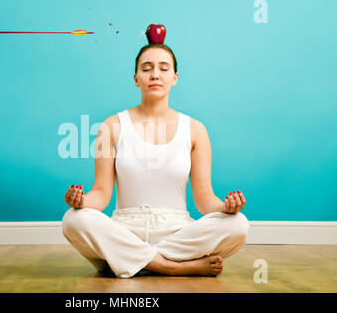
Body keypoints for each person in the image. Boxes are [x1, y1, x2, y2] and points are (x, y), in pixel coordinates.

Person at [62, 43, 249, 279]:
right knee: (73, 219)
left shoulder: (195, 130)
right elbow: (100, 194)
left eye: (163, 68)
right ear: (136, 78)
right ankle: (172, 266)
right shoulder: (111, 126)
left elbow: (204, 200)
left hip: (177, 232)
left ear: (175, 77)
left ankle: (128, 261)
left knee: (238, 224)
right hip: (125, 230)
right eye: (147, 68)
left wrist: (226, 207)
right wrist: (81, 201)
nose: (155, 75)